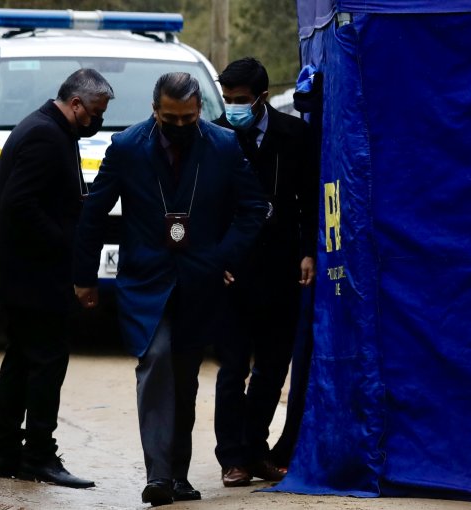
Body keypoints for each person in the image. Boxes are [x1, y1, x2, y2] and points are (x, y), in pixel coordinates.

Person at [72, 72, 268, 506]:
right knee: (155, 359)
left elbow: (254, 208)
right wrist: (85, 276)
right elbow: (94, 213)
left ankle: (178, 474)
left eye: (189, 118)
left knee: (185, 376)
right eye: (171, 118)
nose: (180, 126)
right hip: (146, 279)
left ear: (199, 112)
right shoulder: (126, 148)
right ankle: (158, 475)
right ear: (154, 110)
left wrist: (224, 256)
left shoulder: (222, 145)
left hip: (202, 279)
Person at [0, 68, 113, 489]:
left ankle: (5, 455)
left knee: (21, 360)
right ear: (75, 105)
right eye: (95, 112)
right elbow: (21, 204)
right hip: (32, 277)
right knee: (46, 362)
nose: (98, 121)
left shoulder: (52, 130)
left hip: (24, 274)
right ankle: (37, 454)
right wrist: (67, 243)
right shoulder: (44, 135)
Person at [212, 57, 318, 487]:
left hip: (281, 266)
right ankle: (232, 457)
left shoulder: (294, 135)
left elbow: (310, 199)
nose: (234, 107)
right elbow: (205, 206)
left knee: (272, 368)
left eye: (241, 100)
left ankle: (256, 450)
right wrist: (215, 259)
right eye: (228, 99)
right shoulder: (214, 135)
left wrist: (309, 252)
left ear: (260, 97)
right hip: (232, 270)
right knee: (232, 367)